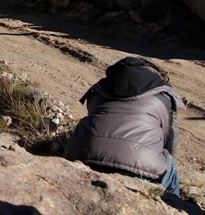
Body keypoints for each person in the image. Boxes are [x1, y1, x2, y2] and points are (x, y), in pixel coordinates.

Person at [64, 57, 185, 197]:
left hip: (82, 155)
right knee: (169, 162)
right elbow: (170, 144)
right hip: (139, 170)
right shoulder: (164, 96)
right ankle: (174, 205)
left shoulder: (98, 89)